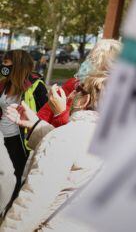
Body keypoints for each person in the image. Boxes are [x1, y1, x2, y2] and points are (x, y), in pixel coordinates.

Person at [0, 72, 106, 231]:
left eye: (78, 90)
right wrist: (35, 124)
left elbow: (32, 202)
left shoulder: (66, 137)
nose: (71, 94)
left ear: (86, 100)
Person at [37, 39, 121, 128]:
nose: (87, 64)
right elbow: (44, 116)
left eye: (94, 60)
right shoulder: (74, 84)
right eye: (89, 58)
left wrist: (60, 114)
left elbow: (77, 136)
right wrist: (35, 124)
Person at [0, 50, 47, 200]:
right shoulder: (3, 85)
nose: (3, 65)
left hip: (19, 141)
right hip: (1, 137)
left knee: (15, 177)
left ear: (17, 65)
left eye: (6, 62)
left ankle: (9, 210)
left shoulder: (36, 86)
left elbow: (45, 114)